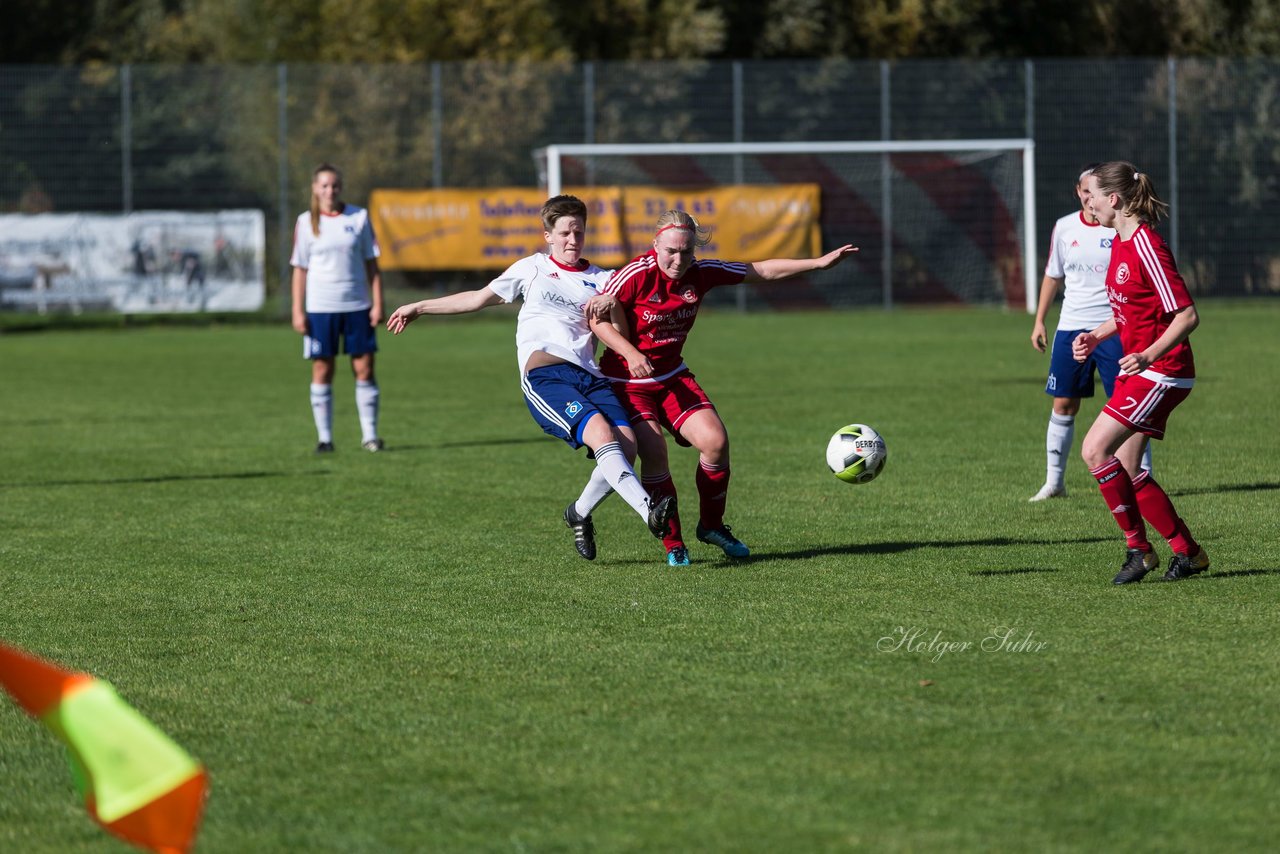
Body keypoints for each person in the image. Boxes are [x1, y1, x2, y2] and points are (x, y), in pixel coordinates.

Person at [384, 195, 676, 557]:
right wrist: (420, 306)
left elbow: (622, 335)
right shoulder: (532, 268)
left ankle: (579, 513)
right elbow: (476, 299)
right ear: (548, 236)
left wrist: (612, 305)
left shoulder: (603, 279)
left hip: (590, 375)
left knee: (627, 446)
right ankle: (649, 511)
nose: (573, 240)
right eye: (565, 233)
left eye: (579, 232)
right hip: (546, 373)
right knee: (602, 434)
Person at [593, 210, 857, 566]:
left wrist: (818, 263)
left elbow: (760, 270)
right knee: (654, 451)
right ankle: (673, 544)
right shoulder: (635, 274)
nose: (678, 259)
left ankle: (712, 526)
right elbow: (595, 317)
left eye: (686, 252)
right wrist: (629, 351)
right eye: (671, 250)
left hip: (672, 377)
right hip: (627, 383)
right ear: (655, 244)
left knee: (716, 443)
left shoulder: (700, 273)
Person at [1072, 161, 1209, 584]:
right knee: (1128, 470)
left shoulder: (1147, 243)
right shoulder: (1120, 242)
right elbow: (1129, 309)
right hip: (1144, 371)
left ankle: (1139, 550)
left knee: (1095, 451)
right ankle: (1189, 553)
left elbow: (1186, 316)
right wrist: (1096, 336)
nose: (1087, 202)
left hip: (1164, 371)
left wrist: (1148, 355)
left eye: (1091, 194)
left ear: (1113, 199)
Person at [1029, 164, 1151, 502]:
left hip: (1115, 329)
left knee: (1127, 406)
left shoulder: (1119, 227)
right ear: (1078, 192)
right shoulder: (1065, 227)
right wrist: (1040, 320)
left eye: (1093, 191)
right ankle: (1054, 483)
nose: (1088, 197)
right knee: (1064, 403)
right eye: (1084, 190)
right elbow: (1053, 275)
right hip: (1071, 326)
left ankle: (1142, 476)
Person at [291, 163, 385, 453]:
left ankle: (370, 436)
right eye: (324, 185)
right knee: (322, 368)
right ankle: (325, 438)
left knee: (364, 368)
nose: (329, 190)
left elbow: (372, 264)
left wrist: (377, 303)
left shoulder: (358, 217)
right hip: (320, 307)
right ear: (315, 188)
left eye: (334, 185)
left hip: (357, 305)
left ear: (340, 188)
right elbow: (300, 269)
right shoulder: (306, 222)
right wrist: (298, 310)